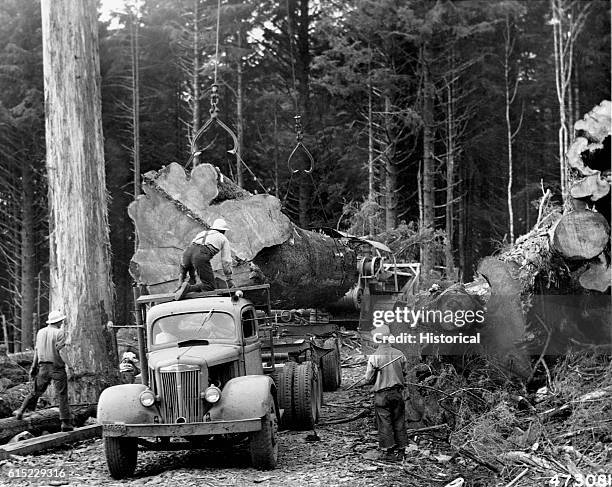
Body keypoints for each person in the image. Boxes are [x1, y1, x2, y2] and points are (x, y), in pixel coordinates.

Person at [14, 310, 73, 431]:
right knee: (62, 395)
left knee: (35, 392)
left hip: (43, 368)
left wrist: (33, 367)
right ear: (58, 321)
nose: (62, 322)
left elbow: (37, 351)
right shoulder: (59, 333)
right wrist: (70, 366)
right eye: (61, 321)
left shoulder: (40, 332)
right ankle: (65, 424)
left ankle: (20, 411)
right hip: (57, 368)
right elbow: (61, 351)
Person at [364, 325, 409, 461]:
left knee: (385, 422)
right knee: (399, 421)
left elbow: (368, 379)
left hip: (382, 395)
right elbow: (404, 372)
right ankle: (401, 451)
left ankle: (389, 452)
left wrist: (375, 376)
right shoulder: (399, 354)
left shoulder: (374, 357)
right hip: (397, 393)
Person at [175, 218, 235, 300]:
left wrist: (190, 277)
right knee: (209, 286)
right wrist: (229, 279)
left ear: (213, 227)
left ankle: (180, 288)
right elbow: (226, 261)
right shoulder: (223, 238)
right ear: (223, 231)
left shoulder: (202, 233)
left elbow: (192, 252)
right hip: (200, 256)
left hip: (186, 254)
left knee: (191, 280)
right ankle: (188, 288)